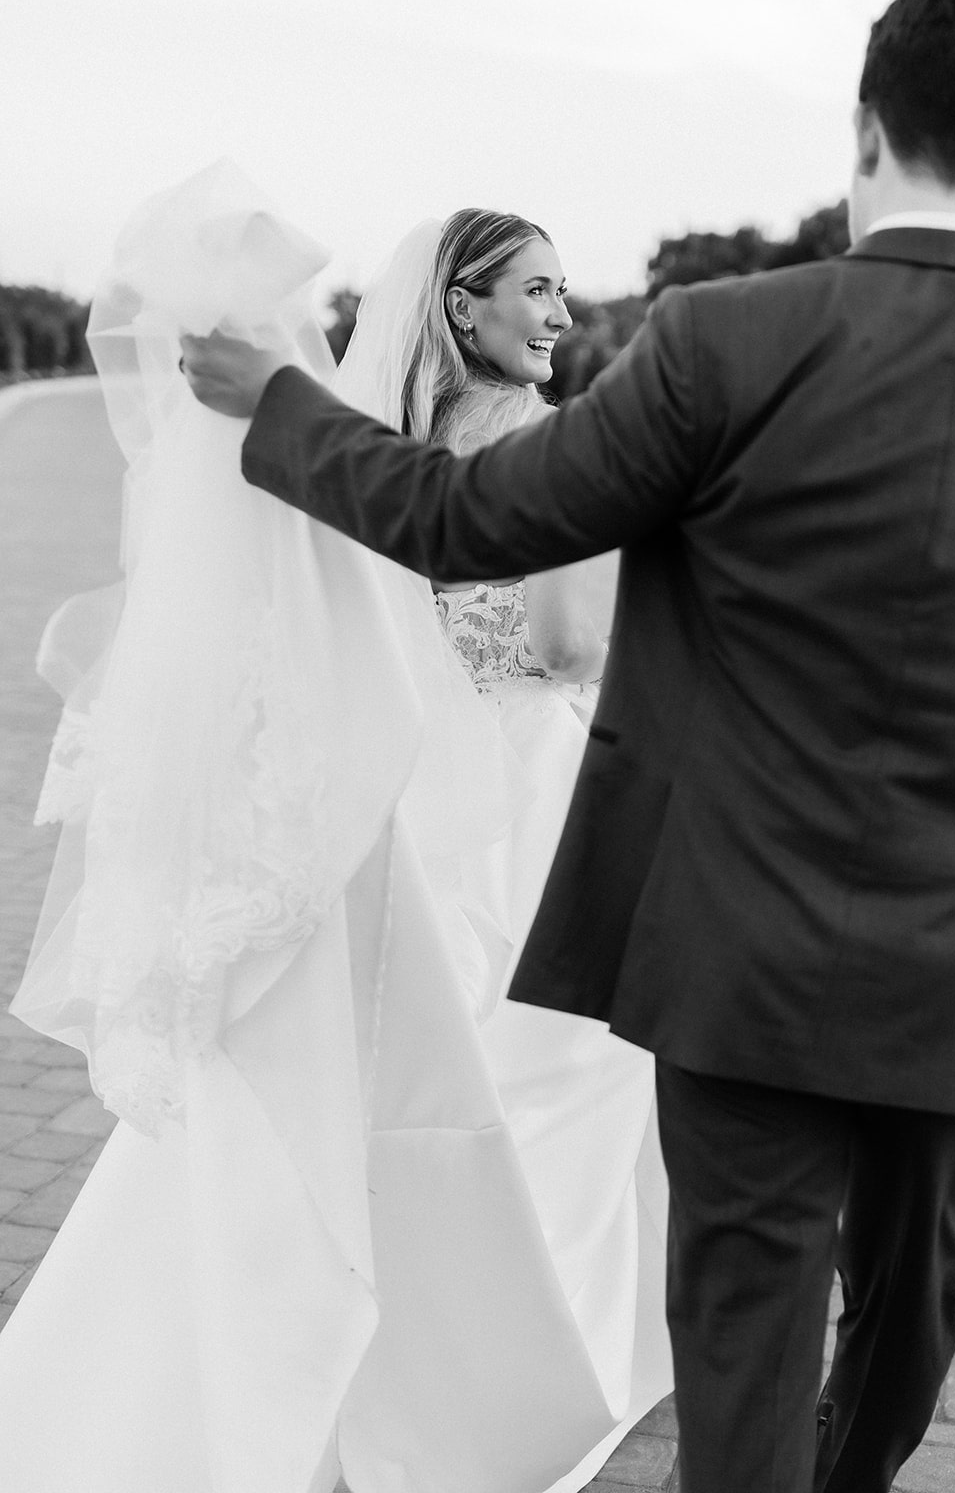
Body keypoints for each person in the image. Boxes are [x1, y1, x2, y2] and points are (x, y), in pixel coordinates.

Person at [183, 0, 955, 1493]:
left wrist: (281, 401)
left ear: (864, 131)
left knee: (741, 1333)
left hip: (736, 956)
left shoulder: (723, 339)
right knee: (914, 1306)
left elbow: (467, 516)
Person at [0, 172, 671, 1493]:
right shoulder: (555, 450)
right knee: (553, 1079)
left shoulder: (382, 459)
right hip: (535, 791)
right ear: (464, 306)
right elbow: (570, 645)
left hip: (408, 799)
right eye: (535, 285)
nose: (560, 306)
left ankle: (356, 1366)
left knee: (395, 1083)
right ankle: (508, 1379)